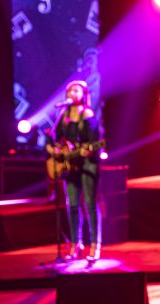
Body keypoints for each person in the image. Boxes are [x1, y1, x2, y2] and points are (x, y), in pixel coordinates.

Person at [46, 80, 102, 262]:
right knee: (72, 206)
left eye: (76, 90)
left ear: (83, 94)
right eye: (70, 90)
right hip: (70, 166)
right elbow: (54, 138)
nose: (72, 93)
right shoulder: (63, 116)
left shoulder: (87, 114)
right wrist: (54, 150)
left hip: (87, 164)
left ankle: (94, 245)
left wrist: (85, 150)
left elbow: (95, 142)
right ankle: (75, 244)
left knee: (89, 204)